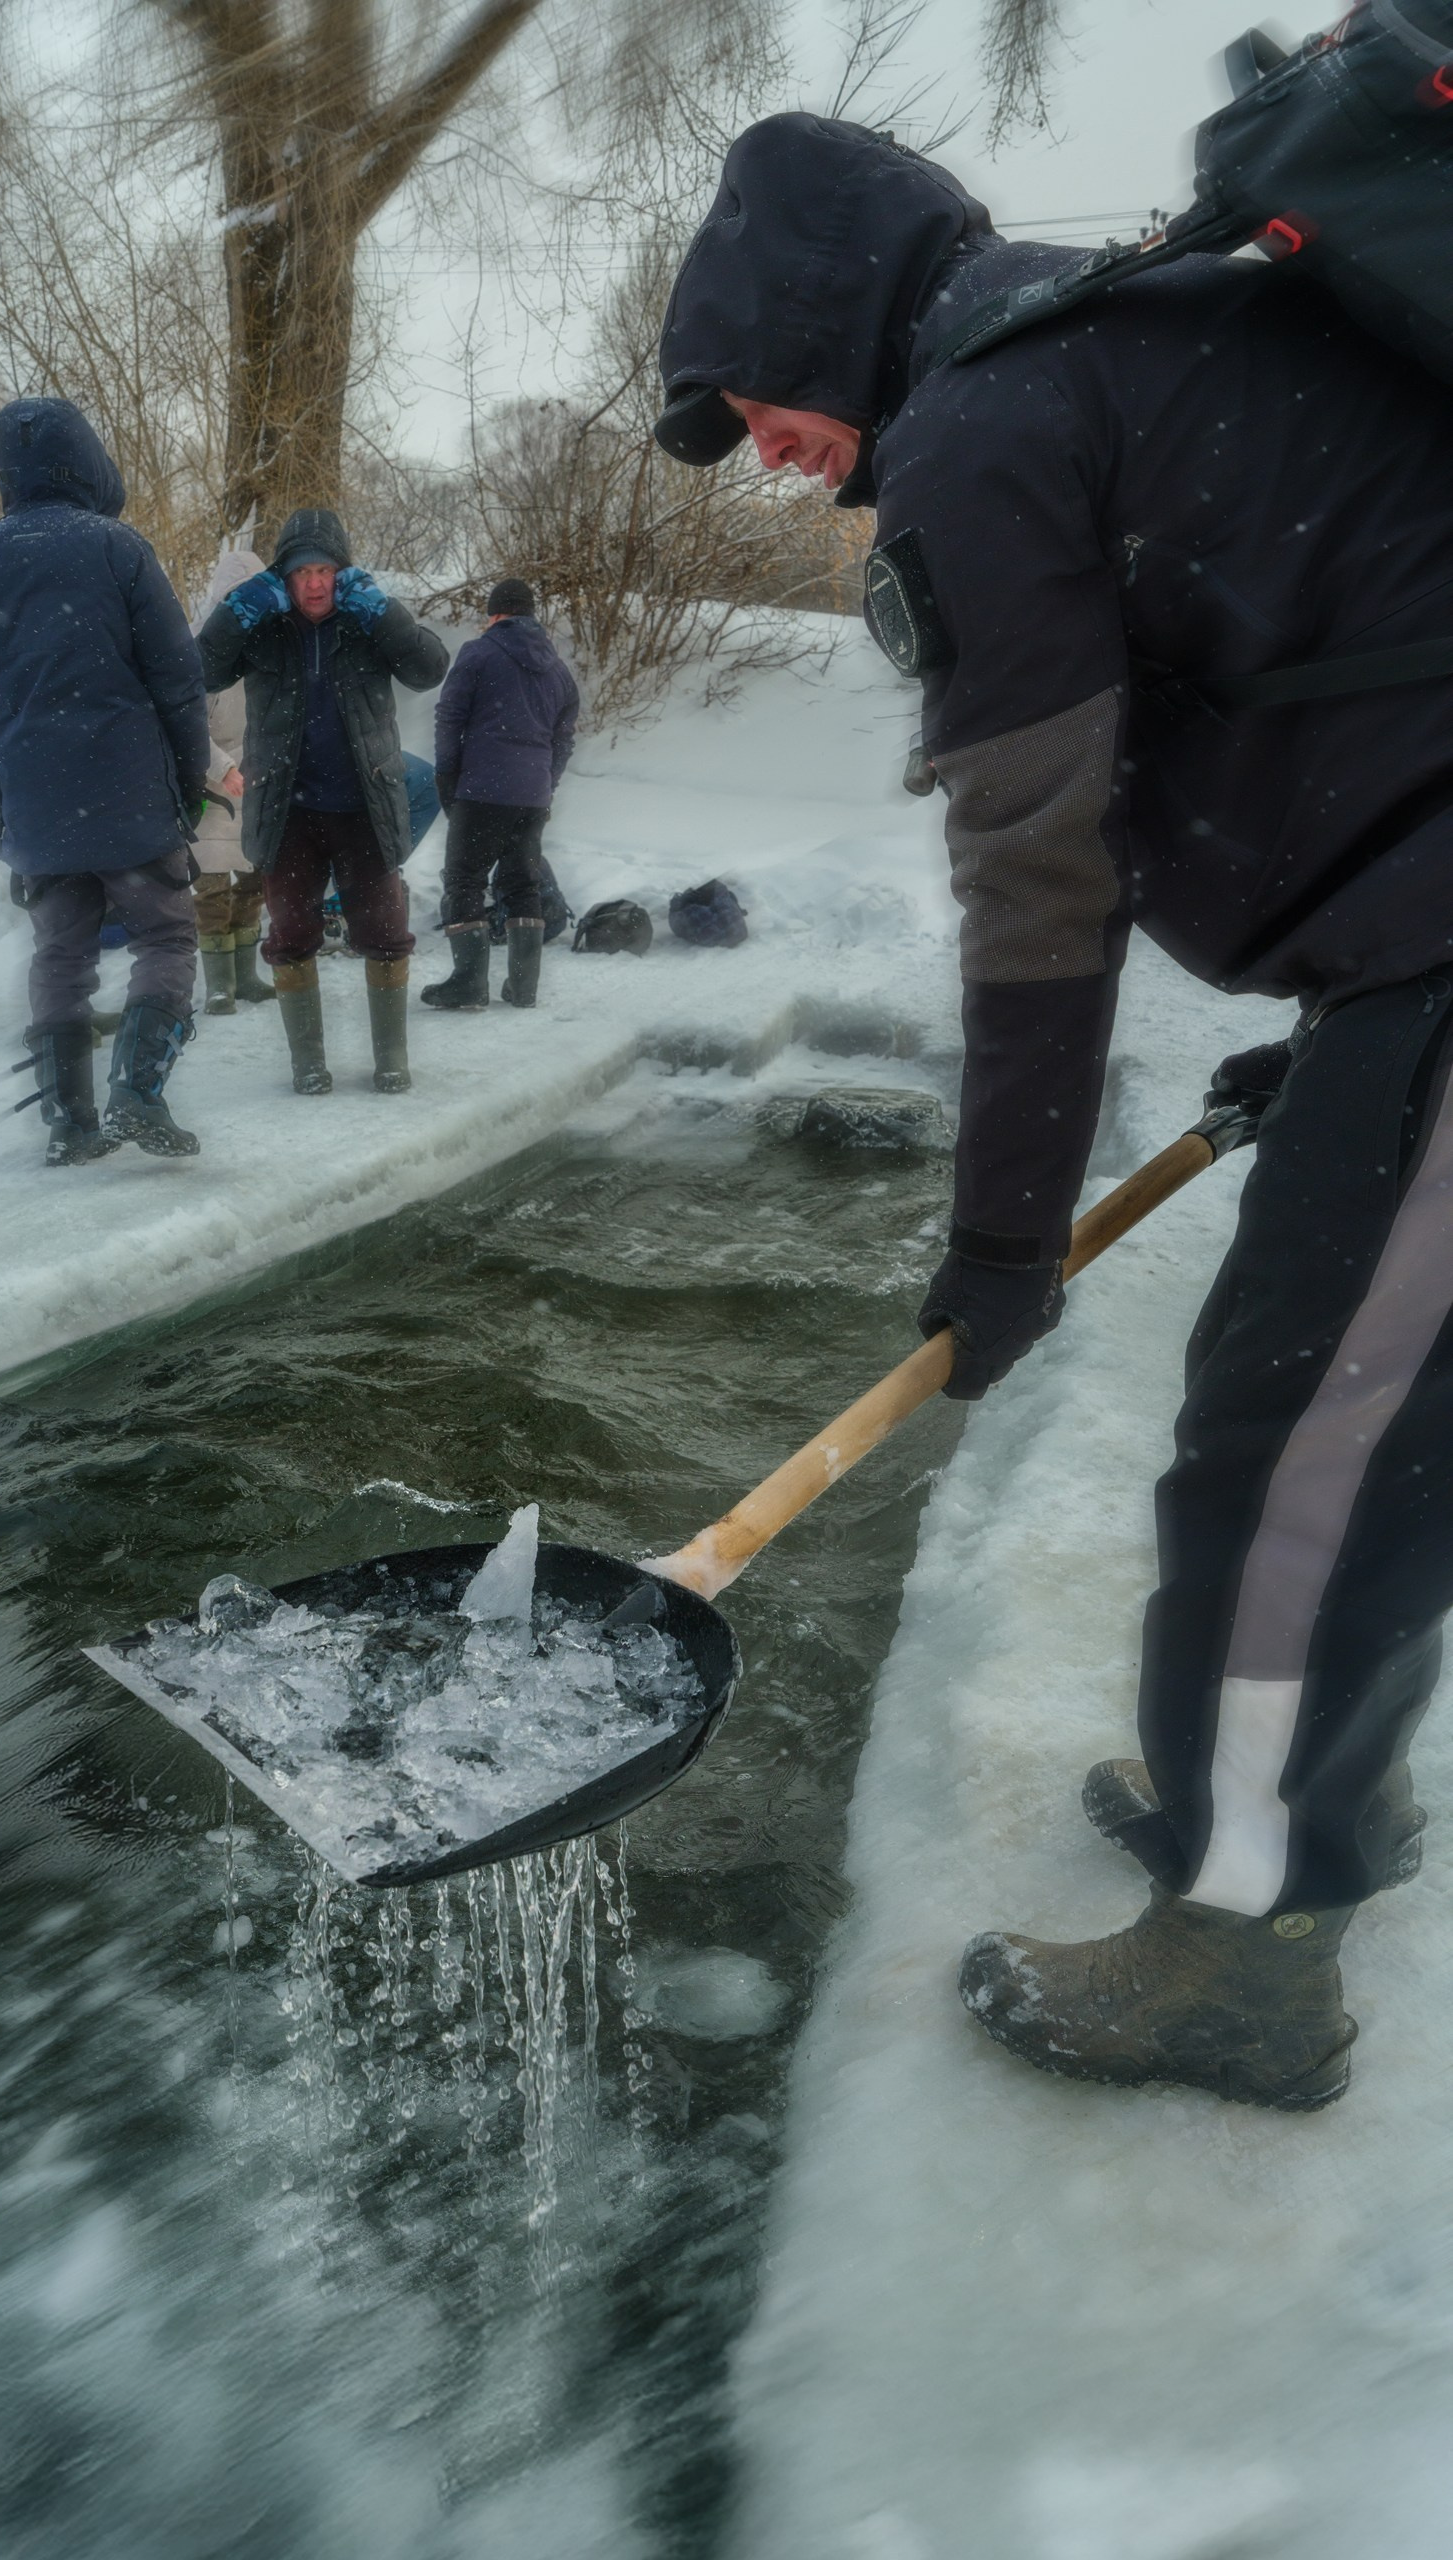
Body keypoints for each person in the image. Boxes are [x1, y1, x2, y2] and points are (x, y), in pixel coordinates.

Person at [655, 111, 1453, 2111]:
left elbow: (1039, 869)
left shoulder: (990, 427)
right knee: (1359, 1426)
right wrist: (1353, 1023)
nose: (760, 444)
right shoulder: (1119, 341)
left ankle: (1254, 1946)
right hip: (1427, 945)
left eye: (753, 393)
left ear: (823, 319)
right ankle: (1275, 1788)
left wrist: (1003, 1235)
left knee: (1294, 1454)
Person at [0, 395, 209, 1162]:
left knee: (60, 953)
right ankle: (138, 1091)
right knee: (164, 932)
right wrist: (188, 779)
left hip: (35, 801)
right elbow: (178, 680)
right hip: (127, 791)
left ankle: (69, 1124)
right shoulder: (118, 549)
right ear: (87, 461)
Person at [197, 507, 449, 1095]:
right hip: (289, 812)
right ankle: (307, 1063)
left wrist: (383, 611)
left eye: (326, 569)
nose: (314, 582)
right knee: (290, 936)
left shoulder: (365, 624)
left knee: (386, 933)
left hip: (364, 806)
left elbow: (429, 667)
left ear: (344, 574)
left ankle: (391, 1059)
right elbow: (198, 670)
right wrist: (237, 610)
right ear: (282, 577)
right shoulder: (262, 629)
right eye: (301, 570)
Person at [424, 576, 580, 1014]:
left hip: (481, 789)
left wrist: (447, 776)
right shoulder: (559, 671)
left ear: (494, 614)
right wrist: (545, 782)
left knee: (464, 879)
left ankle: (469, 983)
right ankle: (523, 987)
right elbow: (564, 739)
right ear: (531, 616)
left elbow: (448, 718)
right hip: (532, 797)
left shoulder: (479, 653)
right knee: (521, 883)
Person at [188, 544, 275, 1016]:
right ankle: (219, 986)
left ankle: (247, 977)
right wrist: (222, 767)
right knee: (213, 887)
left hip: (261, 786)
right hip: (213, 792)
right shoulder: (200, 651)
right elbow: (185, 727)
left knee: (254, 882)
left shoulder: (271, 650)